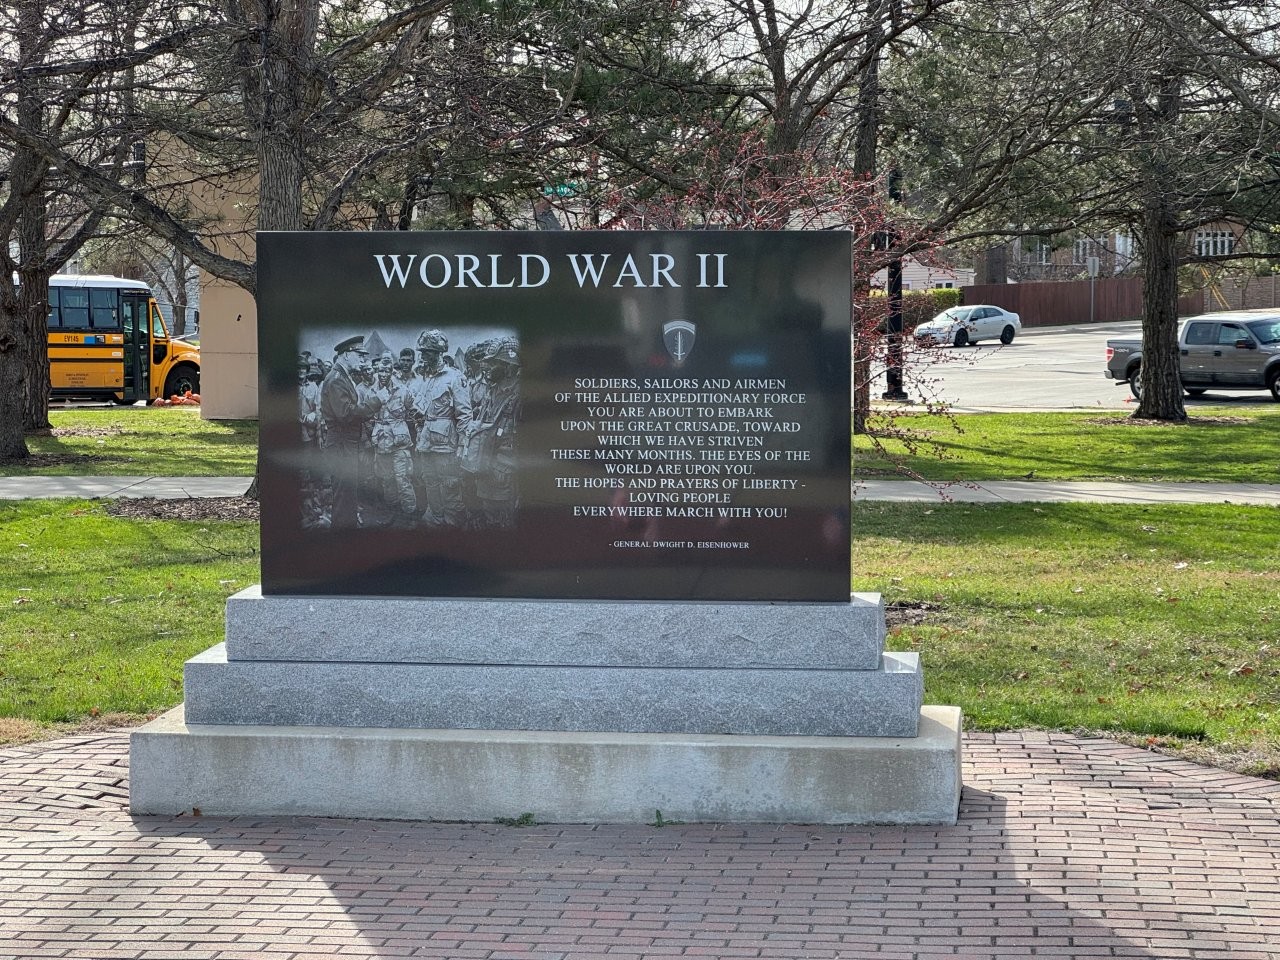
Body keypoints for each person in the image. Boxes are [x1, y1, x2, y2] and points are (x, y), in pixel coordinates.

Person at [407, 329, 471, 526]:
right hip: (427, 442)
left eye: (427, 351)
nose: (422, 355)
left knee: (450, 485)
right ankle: (435, 519)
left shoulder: (454, 377)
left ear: (438, 352)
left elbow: (465, 415)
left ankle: (451, 525)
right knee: (430, 482)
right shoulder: (426, 379)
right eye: (422, 351)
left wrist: (463, 445)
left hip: (446, 445)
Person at [319, 335, 381, 528]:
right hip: (341, 443)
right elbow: (345, 414)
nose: (363, 360)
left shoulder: (342, 377)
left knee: (347, 492)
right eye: (359, 355)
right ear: (346, 355)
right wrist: (376, 402)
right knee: (344, 493)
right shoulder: (337, 379)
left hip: (344, 442)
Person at [465, 338, 520, 528]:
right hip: (487, 462)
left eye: (493, 363)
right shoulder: (493, 390)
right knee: (489, 513)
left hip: (506, 467)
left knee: (506, 519)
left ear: (508, 366)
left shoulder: (520, 393)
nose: (487, 367)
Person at [368, 352, 417, 526]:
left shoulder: (403, 390)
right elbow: (368, 414)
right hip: (381, 441)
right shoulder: (372, 391)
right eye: (380, 370)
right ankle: (392, 510)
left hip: (400, 441)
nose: (383, 374)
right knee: (386, 479)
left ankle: (409, 514)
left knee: (403, 479)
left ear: (392, 371)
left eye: (387, 370)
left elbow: (414, 412)